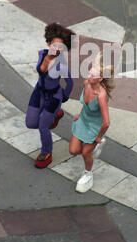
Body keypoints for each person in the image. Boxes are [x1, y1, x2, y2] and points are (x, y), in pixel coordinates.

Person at [26, 22, 75, 168]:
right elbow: (41, 70)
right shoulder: (42, 54)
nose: (57, 49)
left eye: (61, 47)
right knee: (30, 123)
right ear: (48, 44)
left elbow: (70, 83)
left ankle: (46, 153)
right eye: (54, 45)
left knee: (43, 127)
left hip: (54, 96)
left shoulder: (62, 65)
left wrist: (64, 97)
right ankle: (55, 115)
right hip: (39, 92)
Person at [69, 56, 115, 193]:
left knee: (85, 152)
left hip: (95, 127)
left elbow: (106, 122)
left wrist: (98, 137)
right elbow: (86, 104)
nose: (88, 76)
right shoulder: (86, 83)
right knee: (73, 150)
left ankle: (88, 173)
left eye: (92, 75)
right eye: (89, 73)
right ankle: (94, 148)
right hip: (83, 120)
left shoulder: (101, 96)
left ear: (100, 79)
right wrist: (80, 114)